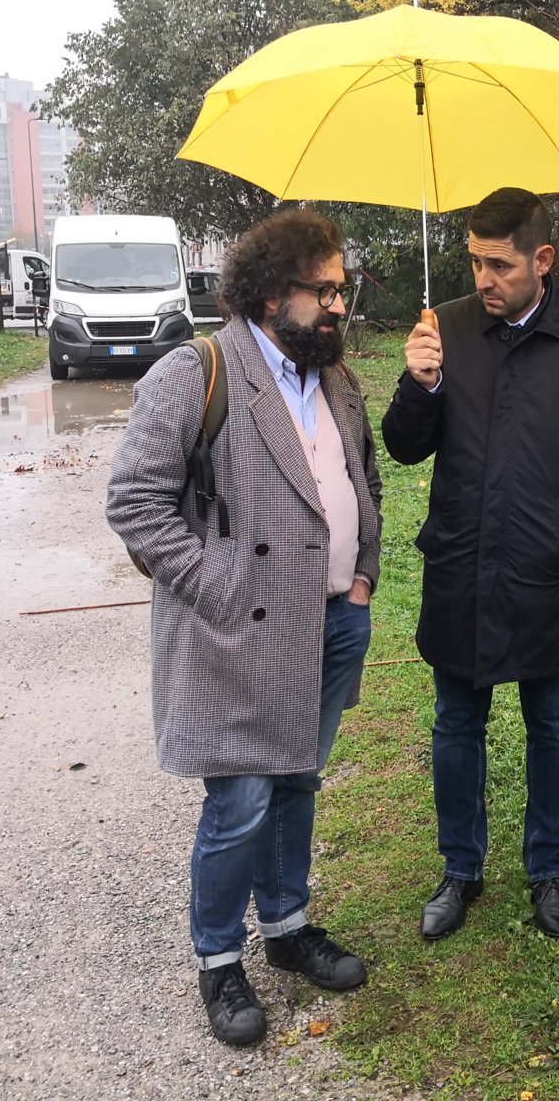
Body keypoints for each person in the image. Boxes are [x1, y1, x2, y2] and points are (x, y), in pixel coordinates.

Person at [106, 210, 382, 1046]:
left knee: (298, 782)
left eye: (342, 289)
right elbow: (135, 502)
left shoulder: (336, 379)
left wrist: (363, 577)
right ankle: (220, 959)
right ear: (270, 296)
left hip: (331, 621)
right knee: (241, 803)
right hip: (237, 631)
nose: (338, 306)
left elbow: (361, 479)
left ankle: (288, 926)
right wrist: (216, 584)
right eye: (323, 291)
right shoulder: (197, 372)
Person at [382, 187, 559, 943]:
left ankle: (548, 870)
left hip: (545, 571)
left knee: (554, 726)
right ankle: (459, 869)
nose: (484, 280)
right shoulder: (446, 330)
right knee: (456, 724)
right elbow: (403, 446)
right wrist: (421, 384)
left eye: (499, 265)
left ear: (543, 260)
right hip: (460, 567)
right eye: (474, 262)